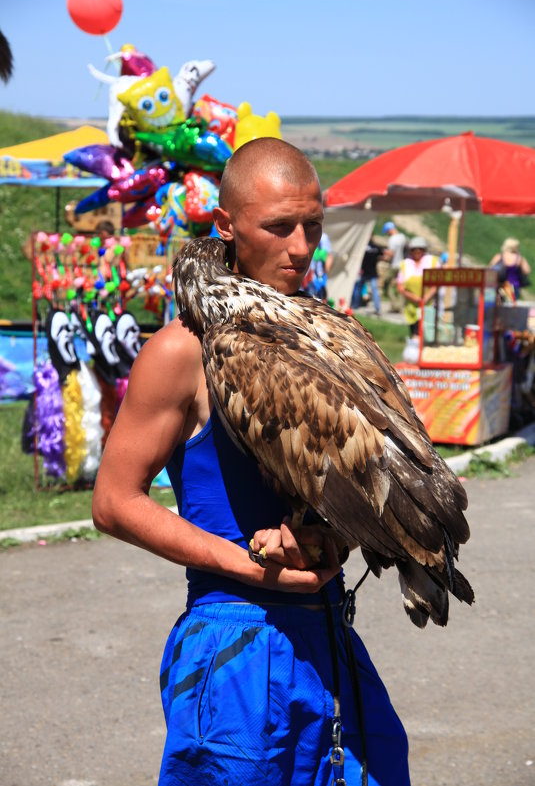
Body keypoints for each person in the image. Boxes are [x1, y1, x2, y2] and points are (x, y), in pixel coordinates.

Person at [92, 138, 410, 786]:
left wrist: (328, 538)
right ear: (226, 226)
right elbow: (114, 501)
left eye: (313, 226)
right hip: (233, 641)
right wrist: (244, 563)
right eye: (279, 227)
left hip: (327, 637)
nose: (301, 248)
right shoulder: (183, 349)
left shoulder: (322, 335)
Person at [396, 236, 439, 337]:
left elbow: (436, 284)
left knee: (427, 334)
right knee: (415, 333)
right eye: (414, 250)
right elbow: (400, 286)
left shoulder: (432, 262)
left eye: (420, 249)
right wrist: (415, 298)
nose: (417, 252)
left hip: (430, 305)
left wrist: (425, 299)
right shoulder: (405, 264)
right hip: (411, 306)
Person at [351, 236, 384, 315]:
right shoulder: (376, 247)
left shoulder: (362, 247)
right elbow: (383, 255)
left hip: (365, 272)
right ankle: (377, 308)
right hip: (371, 272)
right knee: (373, 290)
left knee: (359, 288)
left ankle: (355, 305)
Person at [380, 221, 406, 312]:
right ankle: (400, 305)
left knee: (386, 285)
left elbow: (391, 254)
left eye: (387, 232)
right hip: (403, 265)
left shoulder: (392, 239)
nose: (387, 234)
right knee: (401, 286)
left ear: (389, 230)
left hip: (394, 265)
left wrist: (384, 253)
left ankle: (395, 305)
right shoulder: (403, 237)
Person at [303, 231, 333, 300]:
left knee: (319, 297)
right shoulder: (304, 235)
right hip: (308, 275)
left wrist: (324, 273)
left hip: (319, 275)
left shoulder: (324, 238)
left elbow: (329, 256)